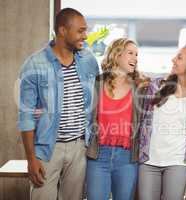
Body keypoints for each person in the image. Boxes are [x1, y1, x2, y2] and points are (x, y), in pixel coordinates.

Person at [18, 8, 99, 200]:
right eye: (80, 31)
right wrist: (31, 159)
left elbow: (102, 93)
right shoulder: (34, 65)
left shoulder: (88, 60)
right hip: (47, 149)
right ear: (62, 31)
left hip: (80, 147)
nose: (85, 36)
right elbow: (26, 117)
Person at [138, 44, 186, 200]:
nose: (173, 59)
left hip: (178, 161)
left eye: (179, 57)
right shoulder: (157, 85)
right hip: (149, 159)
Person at [86, 38, 149, 200]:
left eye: (137, 54)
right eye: (130, 53)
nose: (135, 58)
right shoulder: (96, 82)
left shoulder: (140, 85)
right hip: (98, 155)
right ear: (117, 54)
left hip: (127, 157)